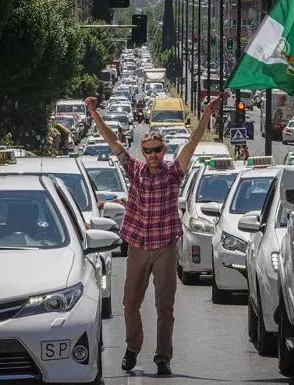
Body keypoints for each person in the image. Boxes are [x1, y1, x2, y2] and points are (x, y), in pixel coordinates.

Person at [85, 95, 222, 376]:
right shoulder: (134, 170)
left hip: (164, 247)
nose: (152, 155)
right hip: (137, 245)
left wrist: (206, 115)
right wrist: (94, 114)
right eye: (148, 150)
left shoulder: (173, 173)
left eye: (157, 150)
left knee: (165, 306)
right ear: (143, 152)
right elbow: (114, 143)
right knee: (130, 303)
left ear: (164, 150)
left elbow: (192, 145)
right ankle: (133, 348)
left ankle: (162, 357)